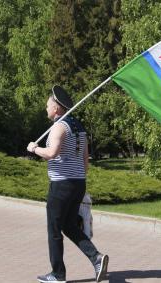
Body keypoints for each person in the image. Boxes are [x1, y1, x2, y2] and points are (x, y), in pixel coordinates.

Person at [27, 85, 108, 283]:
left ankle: (57, 274)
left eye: (48, 106)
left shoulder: (59, 127)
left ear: (56, 108)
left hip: (61, 186)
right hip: (78, 183)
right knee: (69, 226)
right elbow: (85, 160)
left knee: (54, 229)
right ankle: (96, 258)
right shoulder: (79, 127)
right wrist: (78, 178)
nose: (46, 109)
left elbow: (52, 153)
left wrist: (34, 149)